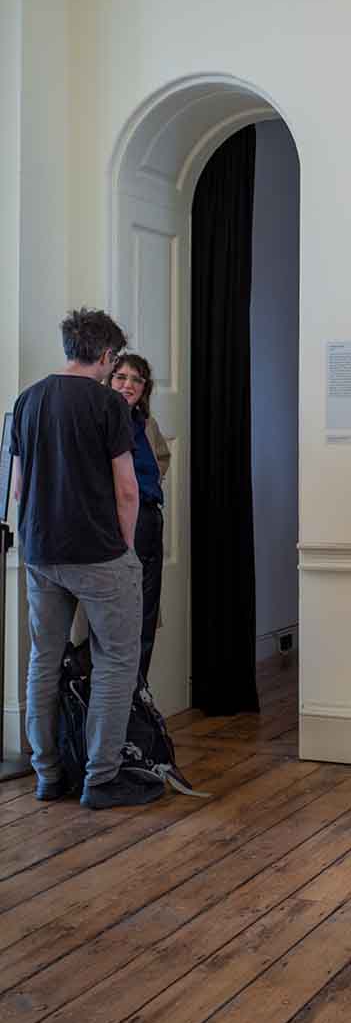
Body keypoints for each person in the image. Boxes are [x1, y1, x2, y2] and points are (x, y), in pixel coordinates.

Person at [10, 309, 165, 809]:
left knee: (43, 661)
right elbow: (127, 489)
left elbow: (17, 488)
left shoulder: (27, 400)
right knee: (115, 661)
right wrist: (125, 549)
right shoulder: (107, 404)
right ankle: (101, 778)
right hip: (99, 553)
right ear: (106, 355)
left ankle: (48, 775)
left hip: (40, 552)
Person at [110, 354, 171, 684]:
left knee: (146, 614)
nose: (128, 385)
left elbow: (162, 456)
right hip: (115, 524)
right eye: (120, 377)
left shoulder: (146, 423)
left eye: (136, 379)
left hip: (148, 519)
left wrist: (147, 484)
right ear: (108, 380)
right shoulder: (101, 419)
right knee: (117, 617)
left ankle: (138, 694)